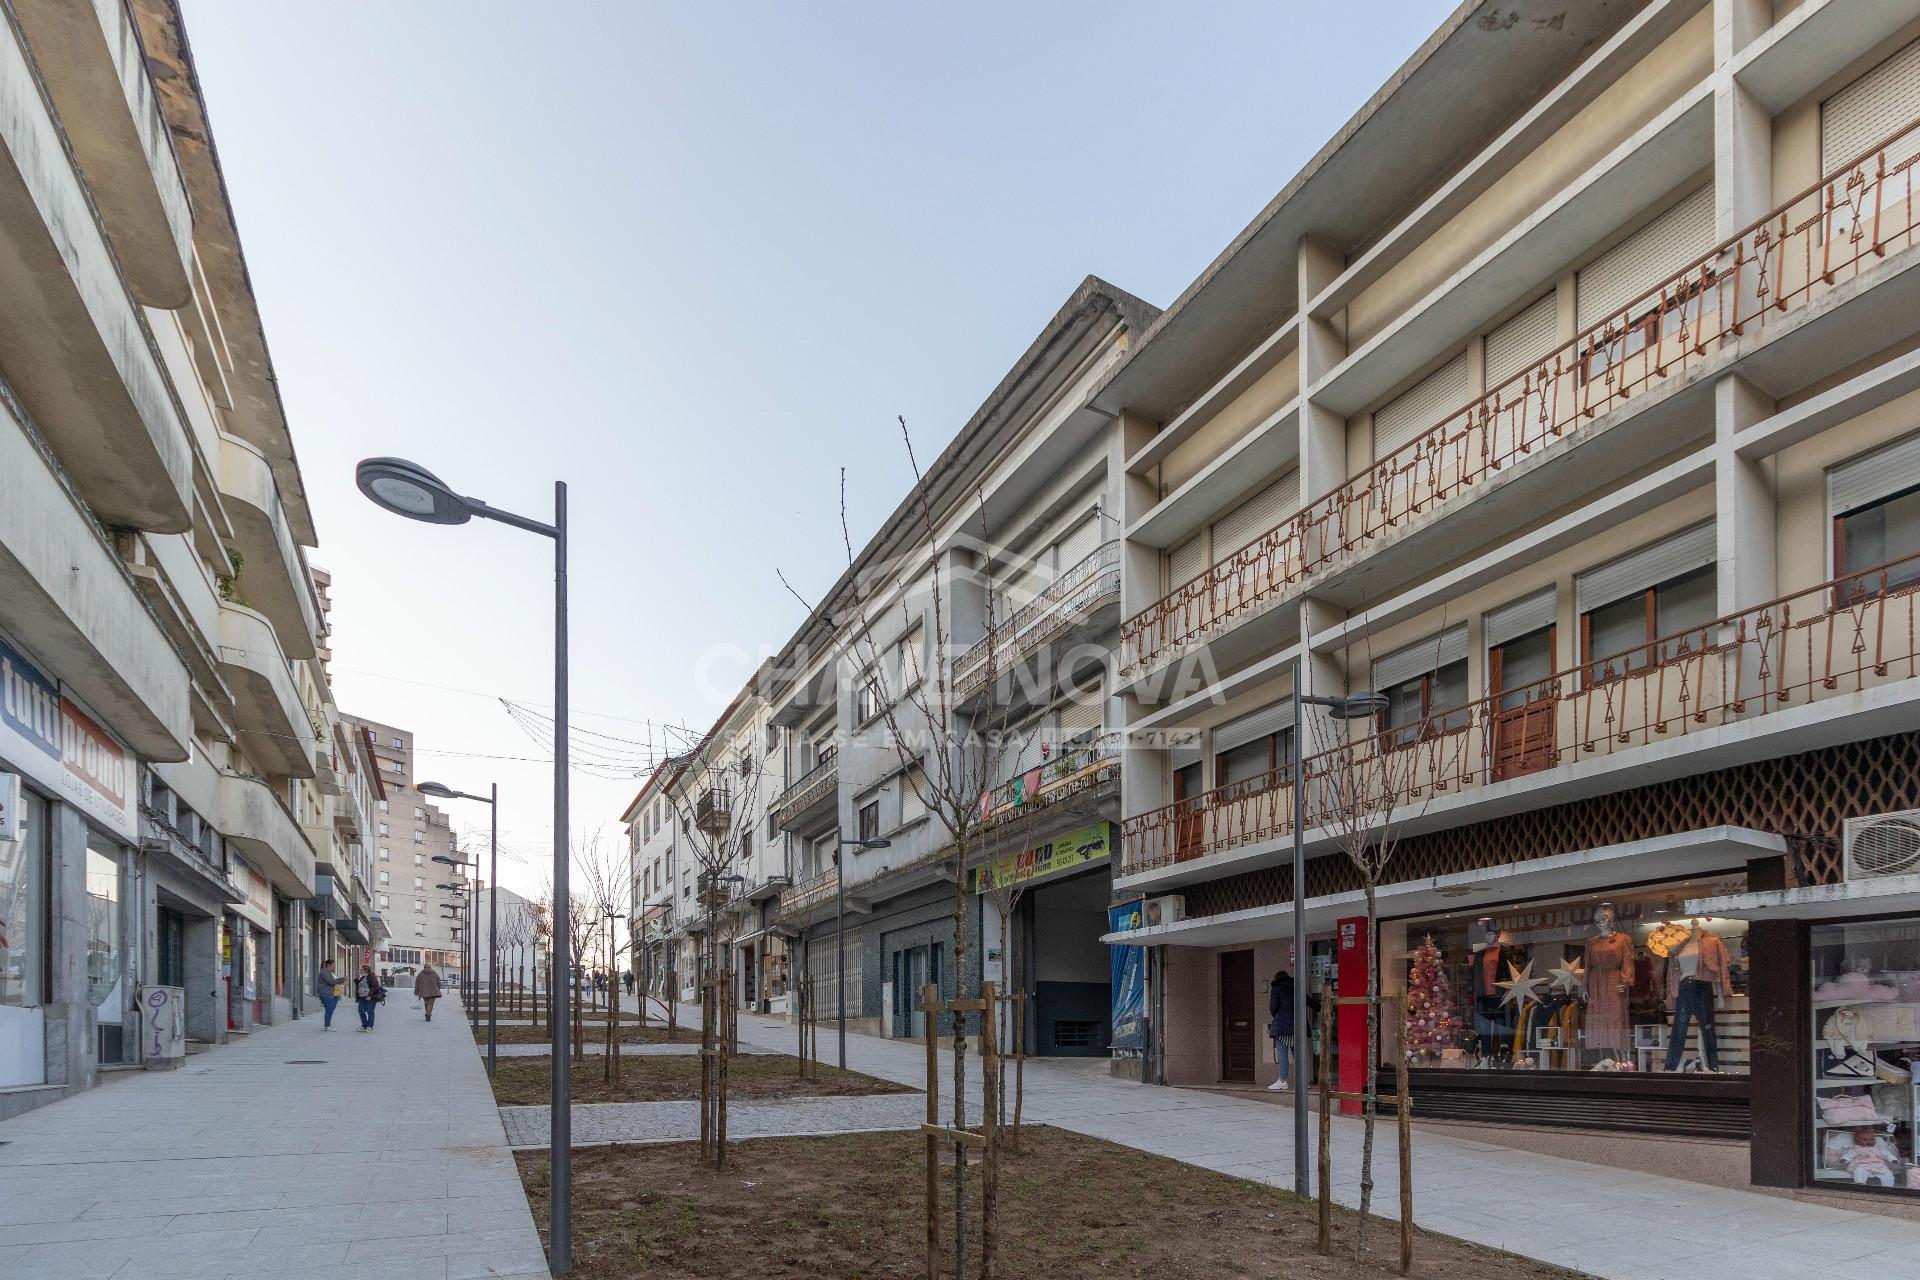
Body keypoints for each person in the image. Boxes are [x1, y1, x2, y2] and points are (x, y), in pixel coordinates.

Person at [1266, 969, 1317, 1092]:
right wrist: (1322, 1007)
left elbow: (1273, 1008)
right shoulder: (1296, 986)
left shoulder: (1277, 988)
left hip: (1282, 1026)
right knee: (1298, 1055)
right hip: (1298, 1025)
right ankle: (1303, 1082)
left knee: (1282, 1054)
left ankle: (1282, 1081)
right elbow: (1309, 1001)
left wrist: (1278, 1016)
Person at [354, 964, 385, 1032]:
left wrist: (370, 995)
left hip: (370, 998)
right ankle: (364, 1025)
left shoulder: (372, 977)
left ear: (366, 970)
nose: (360, 971)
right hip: (362, 997)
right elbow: (360, 986)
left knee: (370, 1011)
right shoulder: (363, 977)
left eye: (361, 970)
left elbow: (375, 987)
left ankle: (370, 1026)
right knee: (361, 1010)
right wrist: (356, 979)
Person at [315, 961, 341, 1030]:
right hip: (327, 994)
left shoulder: (331, 972)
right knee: (329, 1010)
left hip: (334, 994)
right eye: (334, 964)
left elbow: (335, 982)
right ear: (329, 965)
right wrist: (342, 979)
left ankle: (327, 1025)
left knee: (331, 1010)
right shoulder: (324, 972)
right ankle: (327, 1026)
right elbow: (331, 981)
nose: (335, 966)